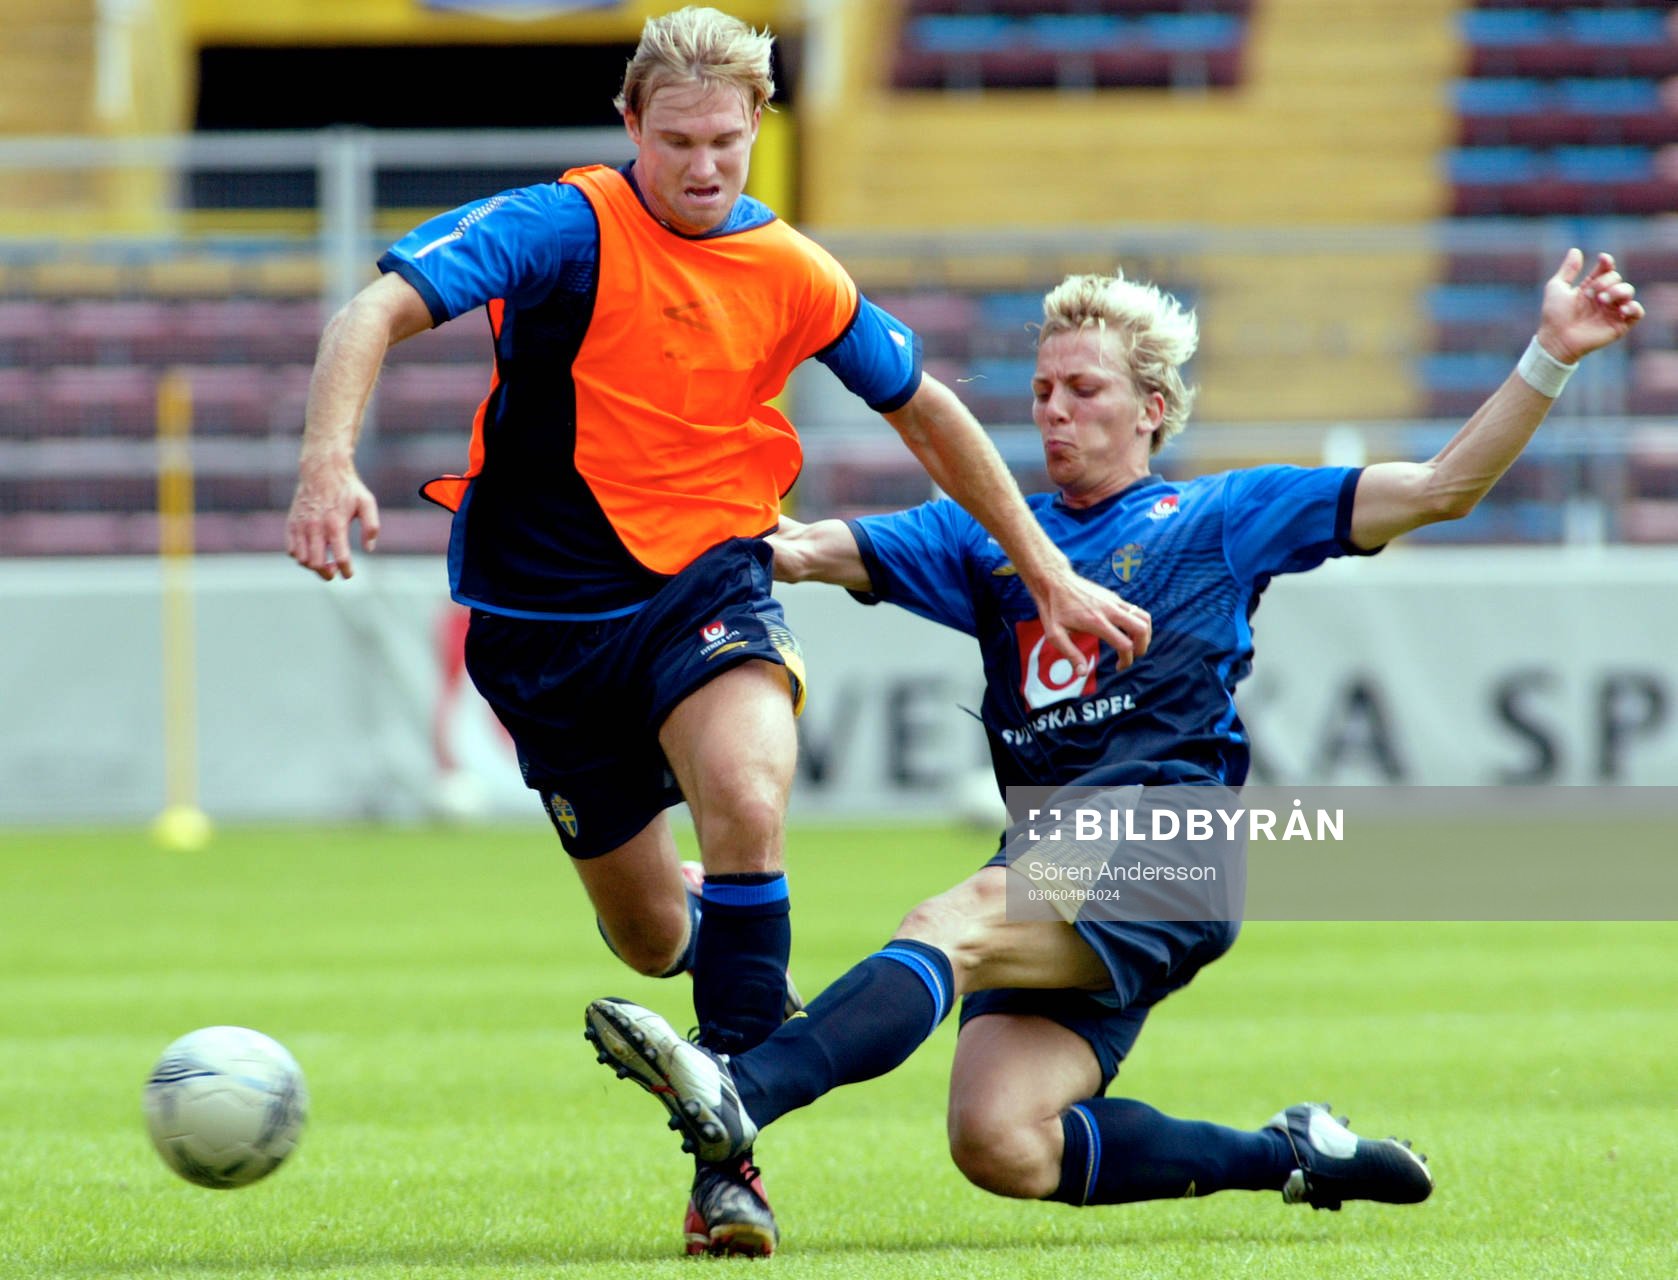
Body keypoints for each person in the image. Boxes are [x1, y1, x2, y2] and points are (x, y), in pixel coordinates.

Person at [282, 5, 1146, 1258]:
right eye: (677, 139)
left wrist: (1046, 568)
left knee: (746, 790)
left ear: (757, 133)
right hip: (539, 625)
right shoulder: (559, 225)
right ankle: (731, 943)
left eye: (726, 145)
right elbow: (369, 314)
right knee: (646, 937)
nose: (701, 167)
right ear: (629, 124)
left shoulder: (793, 268)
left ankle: (730, 1169)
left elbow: (928, 410)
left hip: (708, 579)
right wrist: (325, 464)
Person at [583, 249, 1644, 1243]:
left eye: (1083, 390)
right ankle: (1293, 1151)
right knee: (1001, 1140)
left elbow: (1440, 487)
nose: (1054, 410)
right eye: (1043, 390)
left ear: (1152, 407)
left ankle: (744, 1090)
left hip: (1172, 842)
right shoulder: (986, 536)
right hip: (1053, 855)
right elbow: (798, 548)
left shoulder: (1220, 514)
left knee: (944, 924)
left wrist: (1550, 350)